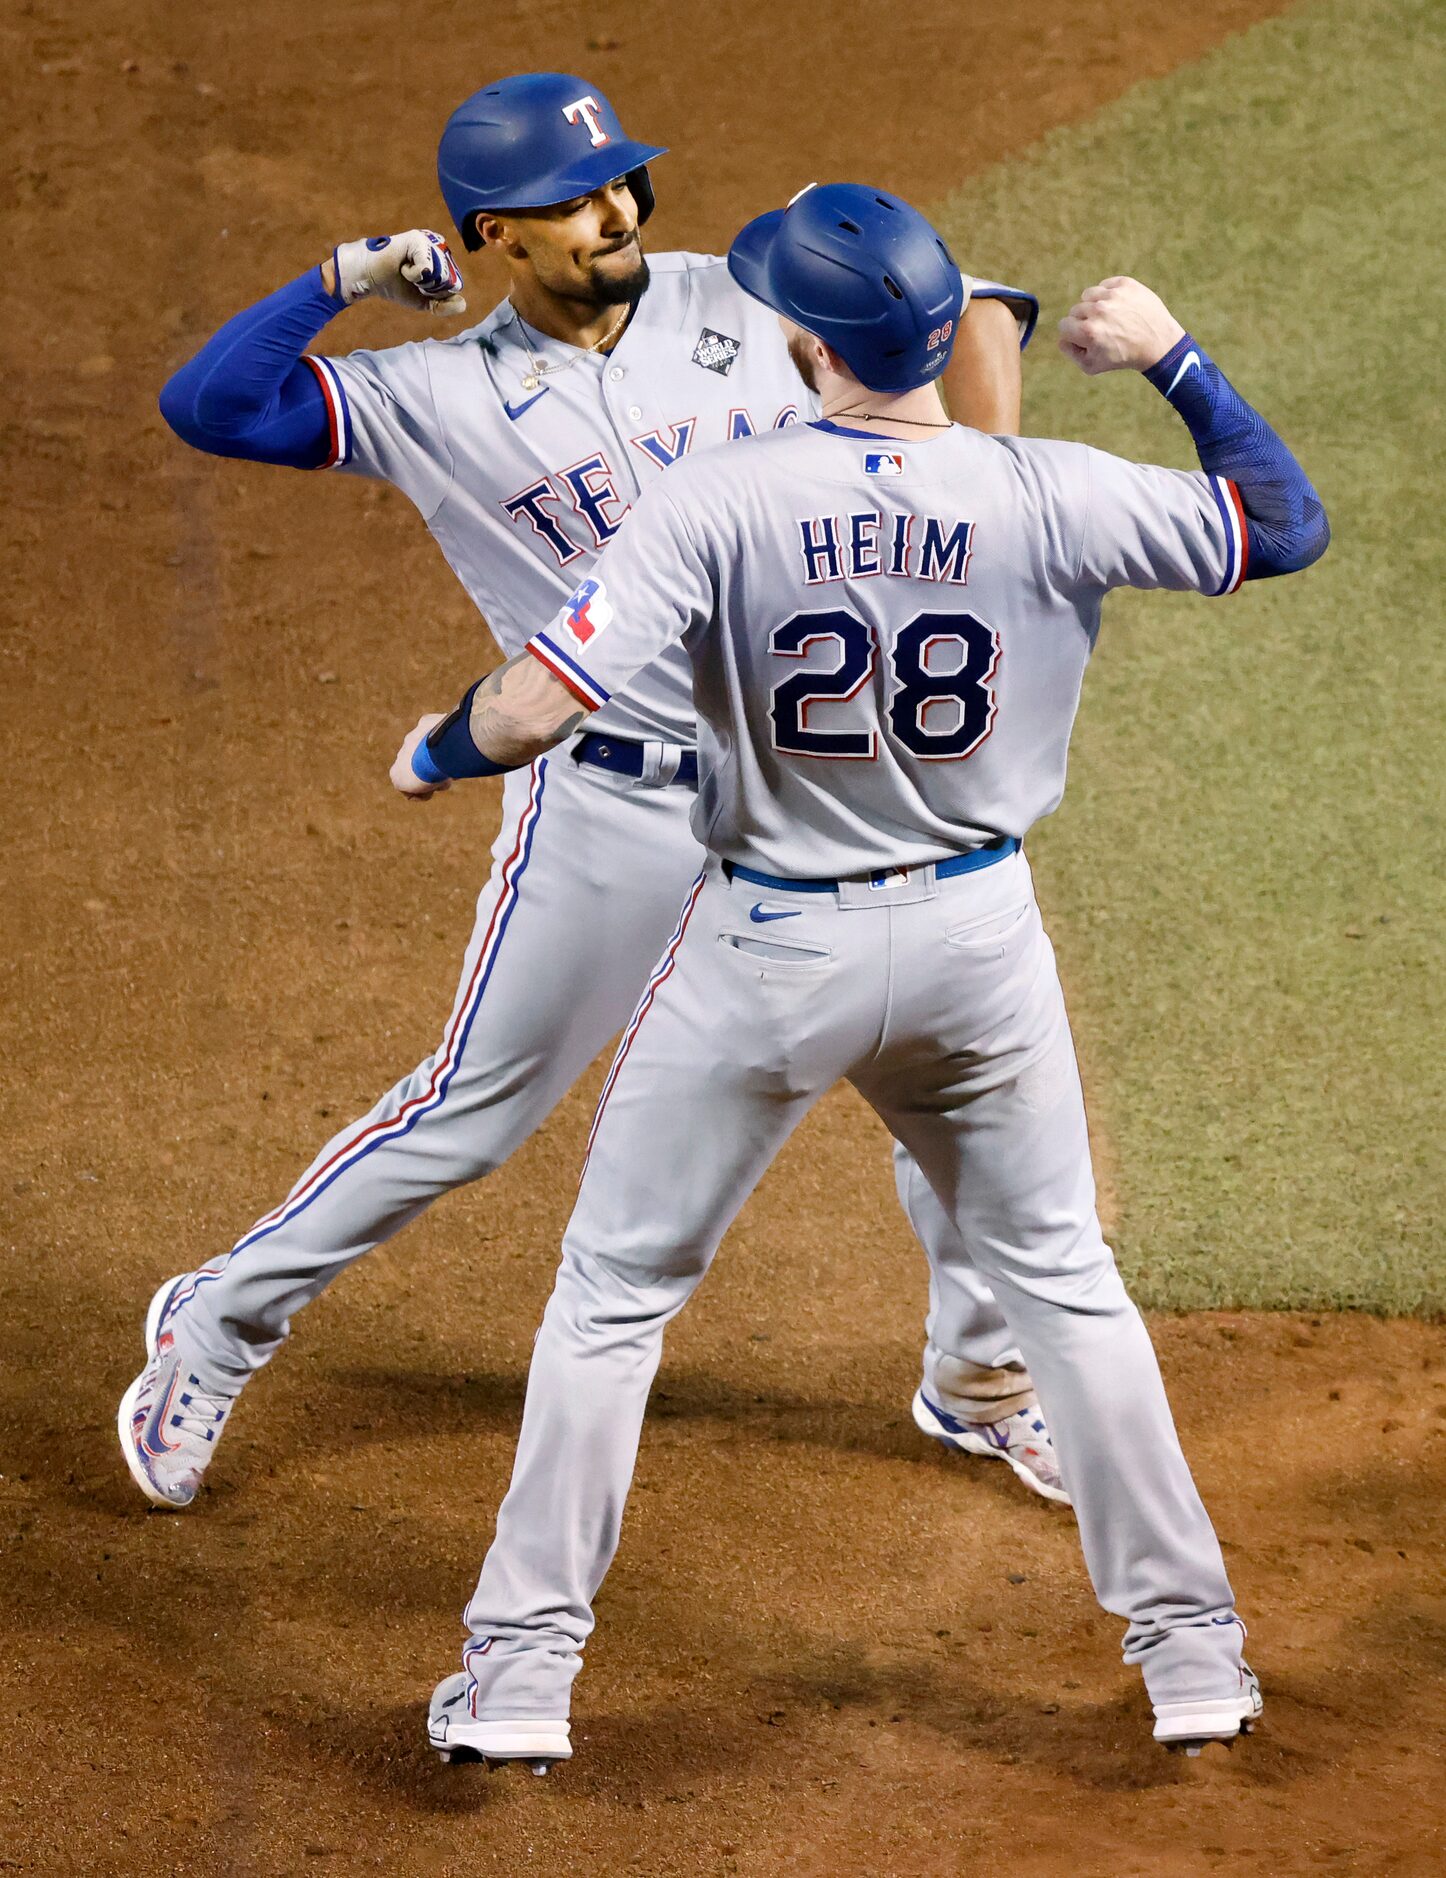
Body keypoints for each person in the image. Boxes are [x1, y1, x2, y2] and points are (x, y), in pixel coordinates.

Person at [389, 185, 1329, 1768]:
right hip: (977, 946)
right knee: (1061, 1281)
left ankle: (519, 1674)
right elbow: (1279, 522)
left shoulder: (714, 501)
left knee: (614, 1297)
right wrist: (1172, 359)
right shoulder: (1049, 488)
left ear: (802, 342)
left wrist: (430, 750)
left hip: (767, 950)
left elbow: (538, 706)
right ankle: (1191, 1655)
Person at [119, 73, 1068, 1512]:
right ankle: (218, 1319)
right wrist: (339, 281)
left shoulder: (747, 292)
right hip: (612, 802)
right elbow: (212, 407)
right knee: (470, 1110)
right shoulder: (430, 394)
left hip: (821, 787)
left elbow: (975, 303)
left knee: (947, 1086)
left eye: (623, 180)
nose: (614, 210)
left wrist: (983, 487)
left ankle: (980, 1380)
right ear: (495, 232)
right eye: (573, 199)